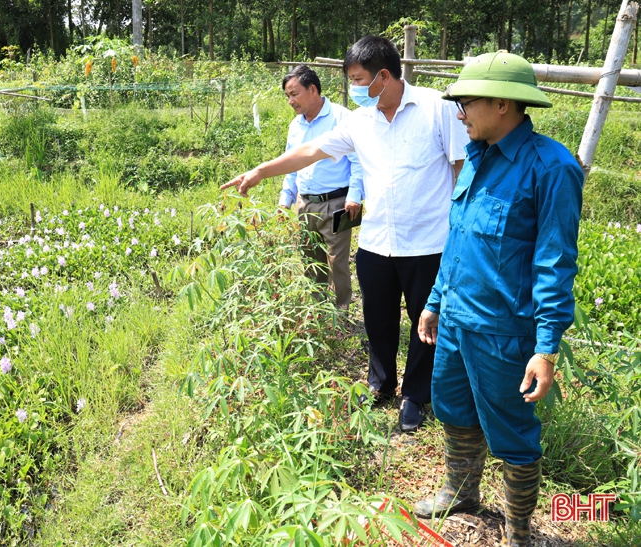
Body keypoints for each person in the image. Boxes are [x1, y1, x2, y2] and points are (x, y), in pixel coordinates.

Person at [221, 36, 468, 432]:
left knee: (425, 325)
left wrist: (462, 234)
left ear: (383, 77)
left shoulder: (436, 109)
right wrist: (262, 171)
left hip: (428, 243)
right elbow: (311, 152)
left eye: (358, 80)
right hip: (375, 243)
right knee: (378, 318)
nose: (353, 90)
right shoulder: (360, 121)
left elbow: (461, 170)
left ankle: (417, 397)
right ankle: (382, 385)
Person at [414, 51, 584, 547]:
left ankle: (520, 530)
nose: (460, 112)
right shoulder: (478, 156)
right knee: (452, 408)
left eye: (467, 102)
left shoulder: (551, 168)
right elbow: (460, 237)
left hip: (504, 333)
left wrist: (546, 347)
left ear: (504, 104)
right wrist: (434, 300)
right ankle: (462, 491)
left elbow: (555, 263)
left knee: (512, 432)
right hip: (456, 322)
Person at [279, 65, 364, 309]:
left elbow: (357, 161)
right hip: (304, 203)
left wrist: (355, 195)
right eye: (287, 96)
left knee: (337, 261)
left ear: (313, 89)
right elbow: (291, 163)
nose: (290, 101)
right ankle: (317, 311)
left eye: (294, 94)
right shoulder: (296, 125)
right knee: (309, 260)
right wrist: (286, 199)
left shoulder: (342, 118)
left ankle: (340, 313)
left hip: (337, 203)